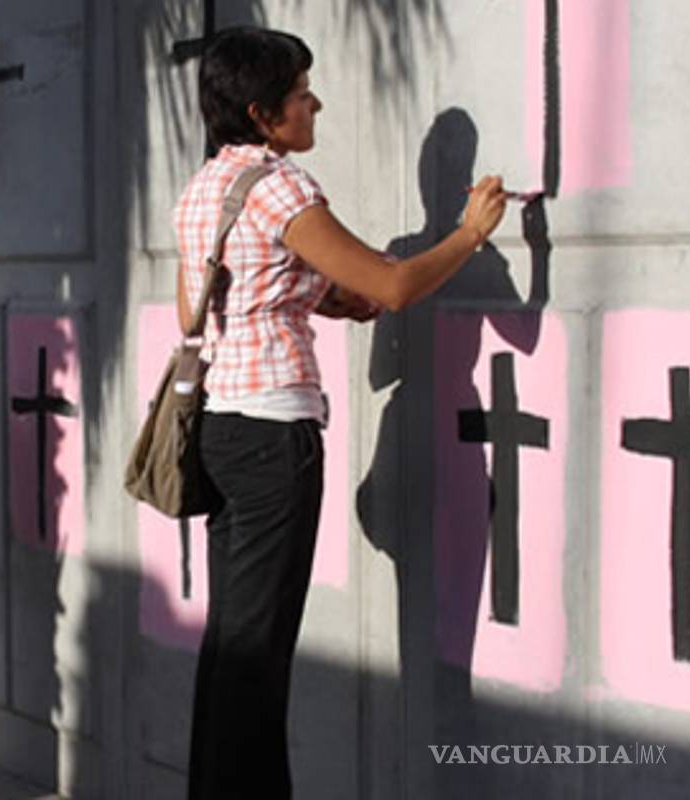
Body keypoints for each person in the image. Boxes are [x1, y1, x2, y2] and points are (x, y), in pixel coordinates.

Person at [176, 28, 507, 799]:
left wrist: (323, 297)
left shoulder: (203, 190)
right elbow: (393, 287)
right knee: (258, 662)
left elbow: (232, 290)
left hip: (222, 428)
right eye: (300, 91)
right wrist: (471, 233)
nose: (314, 101)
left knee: (232, 646)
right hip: (271, 435)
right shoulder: (282, 186)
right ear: (263, 113)